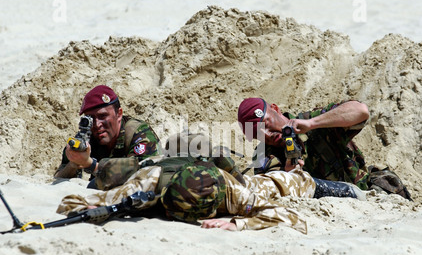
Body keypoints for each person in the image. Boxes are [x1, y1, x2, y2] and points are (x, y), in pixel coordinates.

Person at [56, 137, 366, 233]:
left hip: (240, 183)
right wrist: (98, 209)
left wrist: (235, 223)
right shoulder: (146, 183)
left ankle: (347, 189)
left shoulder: (231, 193)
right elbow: (71, 202)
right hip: (177, 169)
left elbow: (293, 218)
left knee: (283, 182)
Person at [238, 98, 372, 191]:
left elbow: (361, 111)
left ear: (275, 109)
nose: (267, 134)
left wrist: (313, 123)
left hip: (364, 190)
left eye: (266, 124)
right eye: (258, 134)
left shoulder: (310, 120)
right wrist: (289, 176)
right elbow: (271, 191)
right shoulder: (263, 156)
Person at [54, 85, 161, 187]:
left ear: (119, 114)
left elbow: (145, 175)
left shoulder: (139, 133)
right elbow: (58, 179)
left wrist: (91, 165)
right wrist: (74, 164)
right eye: (91, 119)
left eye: (103, 116)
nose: (97, 124)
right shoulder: (87, 137)